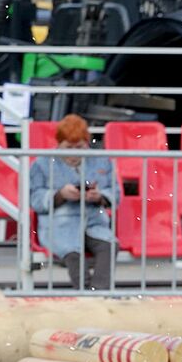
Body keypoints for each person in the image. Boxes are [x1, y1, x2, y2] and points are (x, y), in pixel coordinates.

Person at [28, 114, 118, 291]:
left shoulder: (102, 160)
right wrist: (60, 195)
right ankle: (85, 292)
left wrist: (99, 196)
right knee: (72, 253)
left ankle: (99, 292)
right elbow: (34, 198)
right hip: (59, 225)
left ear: (87, 143)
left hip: (93, 221)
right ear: (58, 143)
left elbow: (115, 192)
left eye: (79, 147)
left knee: (109, 245)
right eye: (68, 147)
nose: (74, 154)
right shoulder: (41, 163)